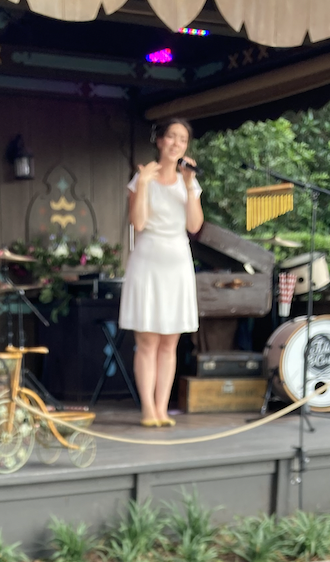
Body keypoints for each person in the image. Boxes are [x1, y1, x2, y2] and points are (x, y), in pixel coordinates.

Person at [119, 119, 204, 427]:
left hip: (177, 262)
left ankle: (162, 408)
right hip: (148, 261)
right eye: (171, 137)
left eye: (182, 140)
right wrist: (142, 184)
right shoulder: (143, 177)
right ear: (160, 141)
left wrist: (190, 183)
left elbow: (194, 225)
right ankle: (147, 410)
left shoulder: (188, 181)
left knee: (170, 341)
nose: (176, 144)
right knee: (148, 340)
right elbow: (138, 223)